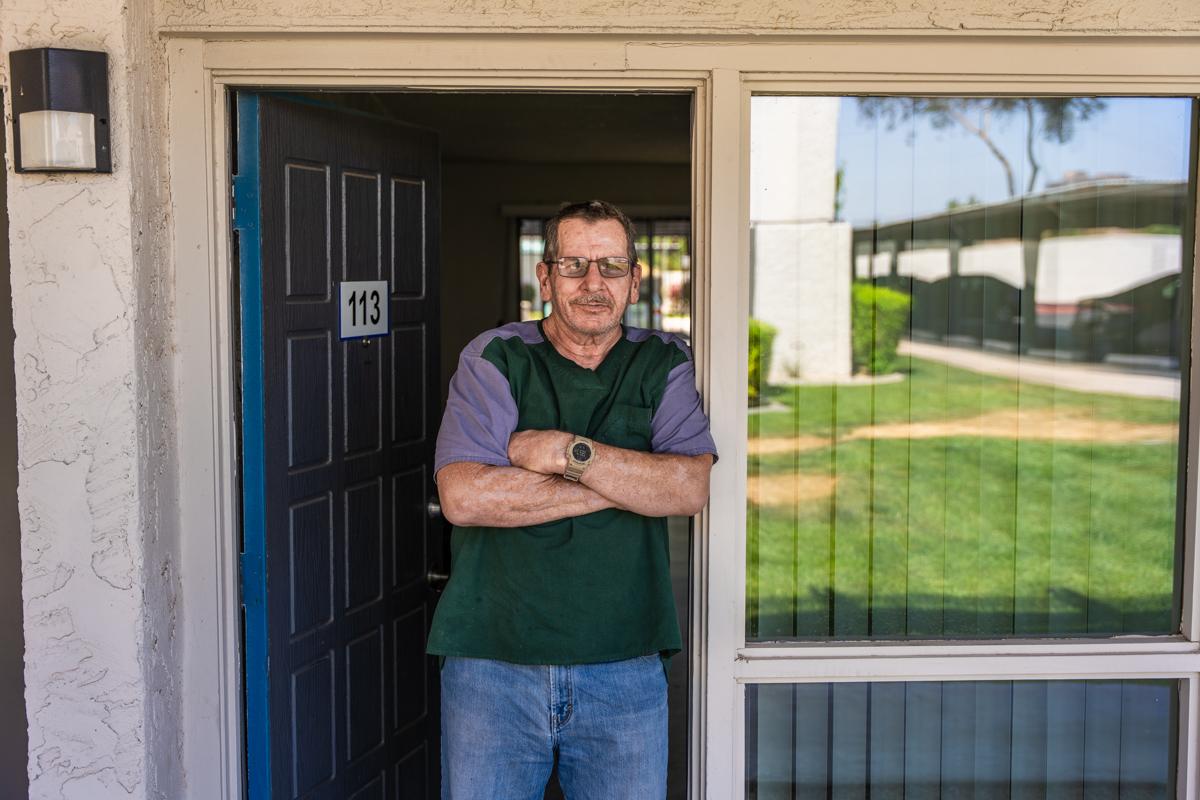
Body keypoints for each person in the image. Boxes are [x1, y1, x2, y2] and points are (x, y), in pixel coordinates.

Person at [429, 199, 717, 799]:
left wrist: (567, 453)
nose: (594, 283)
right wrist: (633, 479)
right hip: (491, 663)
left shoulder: (664, 362)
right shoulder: (495, 359)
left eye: (611, 267)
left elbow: (688, 488)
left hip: (625, 665)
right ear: (545, 277)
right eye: (574, 265)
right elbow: (464, 497)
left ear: (636, 279)